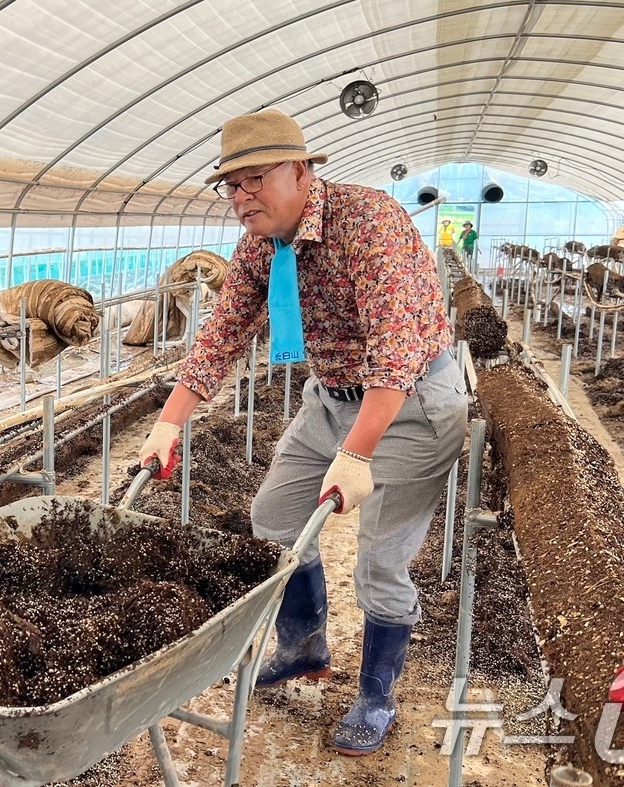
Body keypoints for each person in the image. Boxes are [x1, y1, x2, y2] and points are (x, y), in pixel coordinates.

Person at [137, 108, 467, 756]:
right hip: (331, 396)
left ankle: (376, 694)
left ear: (301, 170)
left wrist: (355, 453)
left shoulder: (365, 222)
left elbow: (396, 351)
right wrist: (167, 423)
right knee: (275, 515)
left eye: (255, 179)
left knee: (379, 559)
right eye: (230, 185)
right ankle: (304, 643)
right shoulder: (261, 246)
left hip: (414, 399)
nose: (241, 196)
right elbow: (222, 335)